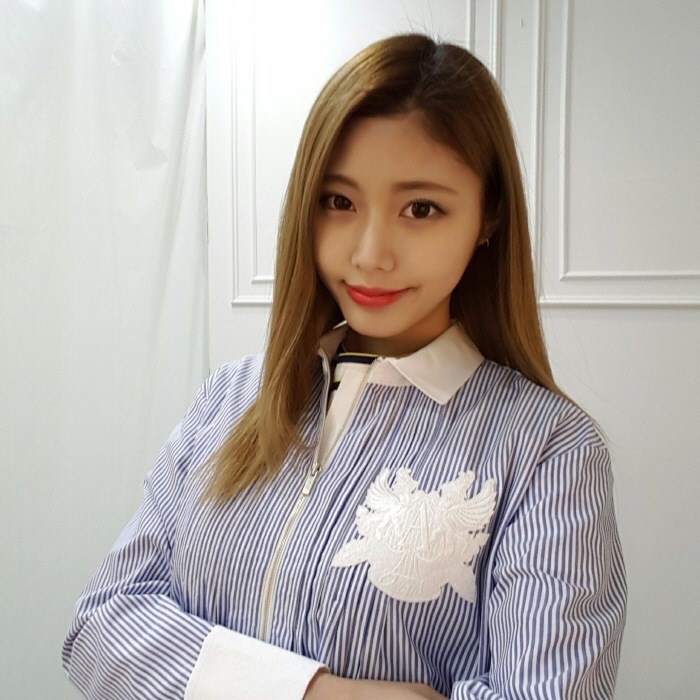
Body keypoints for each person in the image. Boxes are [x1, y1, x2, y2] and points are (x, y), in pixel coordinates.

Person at [62, 33, 627, 699]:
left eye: (421, 209)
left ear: (488, 216)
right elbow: (100, 627)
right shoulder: (229, 399)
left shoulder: (548, 449)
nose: (369, 254)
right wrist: (322, 693)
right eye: (338, 201)